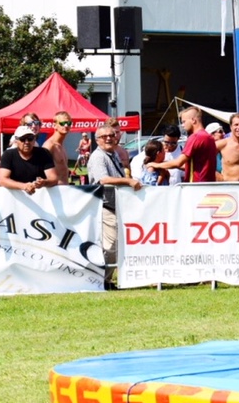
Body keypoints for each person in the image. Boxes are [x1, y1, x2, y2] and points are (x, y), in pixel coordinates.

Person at [87, 126, 144, 288]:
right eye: (104, 136)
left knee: (117, 245)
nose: (108, 138)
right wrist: (128, 181)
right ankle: (102, 281)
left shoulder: (113, 154)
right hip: (105, 205)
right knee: (110, 247)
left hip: (118, 205)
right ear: (97, 140)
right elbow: (103, 179)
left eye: (111, 135)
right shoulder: (98, 157)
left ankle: (109, 280)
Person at [148, 106, 217, 183]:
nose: (183, 125)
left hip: (196, 186)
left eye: (184, 121)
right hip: (209, 185)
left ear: (193, 120)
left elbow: (178, 162)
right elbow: (192, 166)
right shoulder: (209, 137)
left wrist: (155, 165)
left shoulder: (195, 137)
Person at [0, 125, 58, 194]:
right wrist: (24, 186)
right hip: (15, 199)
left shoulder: (44, 153)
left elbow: (54, 179)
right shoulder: (8, 155)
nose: (27, 142)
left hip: (40, 198)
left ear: (34, 140)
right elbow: (2, 180)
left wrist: (44, 182)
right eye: (23, 139)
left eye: (30, 138)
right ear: (16, 141)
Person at [42, 110, 72, 185]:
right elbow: (40, 171)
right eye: (62, 123)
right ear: (55, 125)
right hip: (55, 191)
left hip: (65, 190)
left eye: (68, 123)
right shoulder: (49, 145)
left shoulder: (61, 145)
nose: (66, 126)